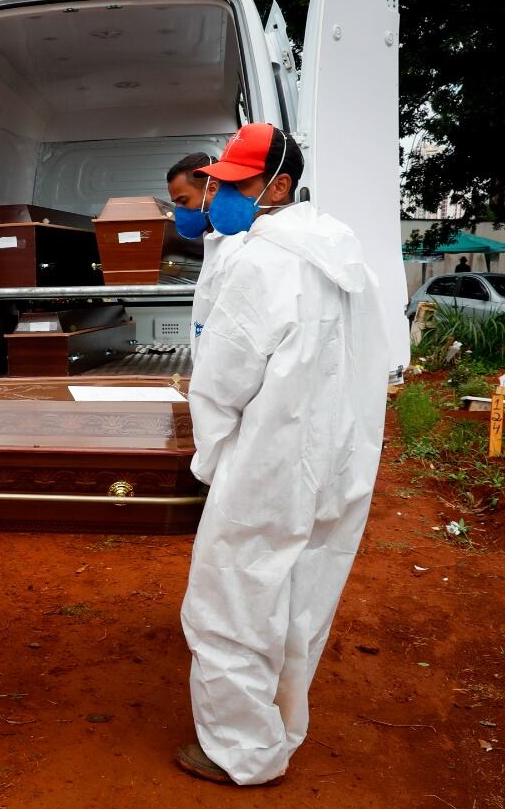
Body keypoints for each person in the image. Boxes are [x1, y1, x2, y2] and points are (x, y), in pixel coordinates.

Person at [176, 123, 390, 786]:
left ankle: (239, 748)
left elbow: (221, 379)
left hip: (269, 463)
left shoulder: (260, 259)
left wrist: (213, 460)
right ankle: (281, 724)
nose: (222, 195)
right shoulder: (345, 252)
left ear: (279, 185)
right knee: (303, 601)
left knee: (232, 601)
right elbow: (374, 360)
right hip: (341, 461)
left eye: (237, 184)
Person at [166, 152, 245, 359]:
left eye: (183, 200)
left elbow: (233, 335)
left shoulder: (235, 247)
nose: (178, 211)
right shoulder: (212, 242)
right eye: (176, 204)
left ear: (212, 189)